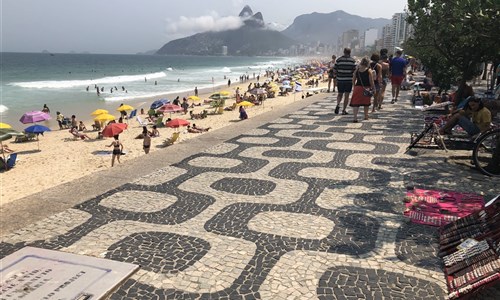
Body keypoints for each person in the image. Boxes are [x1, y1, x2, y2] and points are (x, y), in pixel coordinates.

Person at [350, 57, 375, 123]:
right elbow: (371, 81)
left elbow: (353, 79)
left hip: (357, 88)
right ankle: (366, 116)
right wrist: (373, 88)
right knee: (366, 103)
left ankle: (355, 117)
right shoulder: (369, 70)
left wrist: (354, 86)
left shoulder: (357, 70)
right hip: (366, 88)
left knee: (356, 103)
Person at [334, 48, 356, 115]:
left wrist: (336, 77)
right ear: (350, 52)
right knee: (347, 95)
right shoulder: (352, 61)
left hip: (340, 80)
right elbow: (354, 71)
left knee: (340, 94)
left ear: (344, 52)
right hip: (348, 80)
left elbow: (334, 70)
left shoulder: (339, 60)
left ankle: (338, 104)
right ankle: (344, 110)